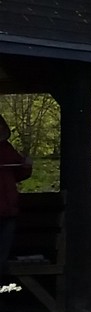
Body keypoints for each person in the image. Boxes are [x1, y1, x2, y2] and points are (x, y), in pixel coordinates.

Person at [0, 112, 30, 295]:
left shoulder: (7, 149)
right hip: (6, 211)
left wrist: (26, 166)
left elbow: (19, 174)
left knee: (2, 257)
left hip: (8, 212)